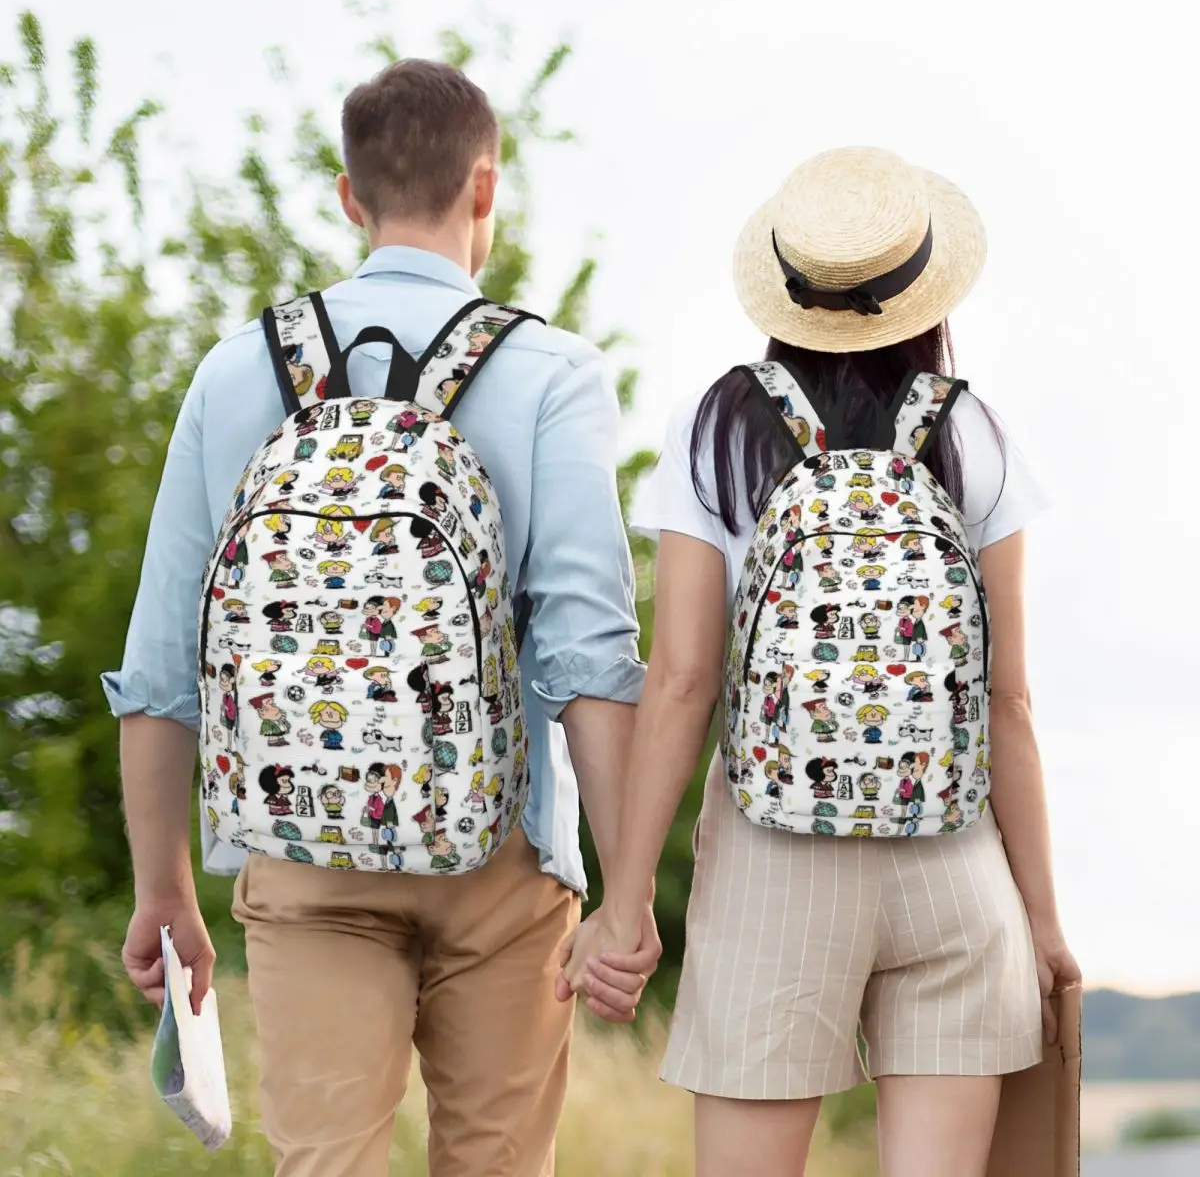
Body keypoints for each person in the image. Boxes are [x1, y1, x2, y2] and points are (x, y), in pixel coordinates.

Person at [103, 58, 658, 1177]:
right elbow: (589, 655)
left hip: (303, 853)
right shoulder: (550, 372)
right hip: (502, 852)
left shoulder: (236, 371)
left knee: (326, 1163)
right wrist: (627, 893)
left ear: (349, 198)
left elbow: (164, 661)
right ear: (485, 190)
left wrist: (162, 891)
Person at [559, 146, 1080, 1177]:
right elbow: (1009, 699)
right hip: (954, 862)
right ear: (924, 290)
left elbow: (682, 682)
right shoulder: (974, 432)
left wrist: (623, 905)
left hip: (773, 862)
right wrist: (1043, 920)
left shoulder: (718, 427)